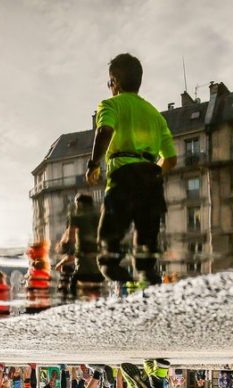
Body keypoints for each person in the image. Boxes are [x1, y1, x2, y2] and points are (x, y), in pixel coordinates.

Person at [86, 53, 178, 288]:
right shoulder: (156, 116)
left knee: (108, 257)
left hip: (122, 180)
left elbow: (104, 132)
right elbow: (171, 159)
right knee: (146, 262)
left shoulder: (111, 105)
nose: (110, 88)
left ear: (115, 81)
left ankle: (127, 299)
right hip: (152, 181)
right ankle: (151, 299)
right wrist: (151, 173)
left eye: (110, 83)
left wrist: (94, 164)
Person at [58, 193, 103, 301]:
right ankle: (96, 299)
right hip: (97, 253)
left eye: (76, 203)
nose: (76, 206)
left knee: (75, 280)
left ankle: (73, 301)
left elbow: (71, 237)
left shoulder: (76, 217)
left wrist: (63, 247)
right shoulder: (99, 215)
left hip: (83, 253)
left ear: (80, 203)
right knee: (96, 277)